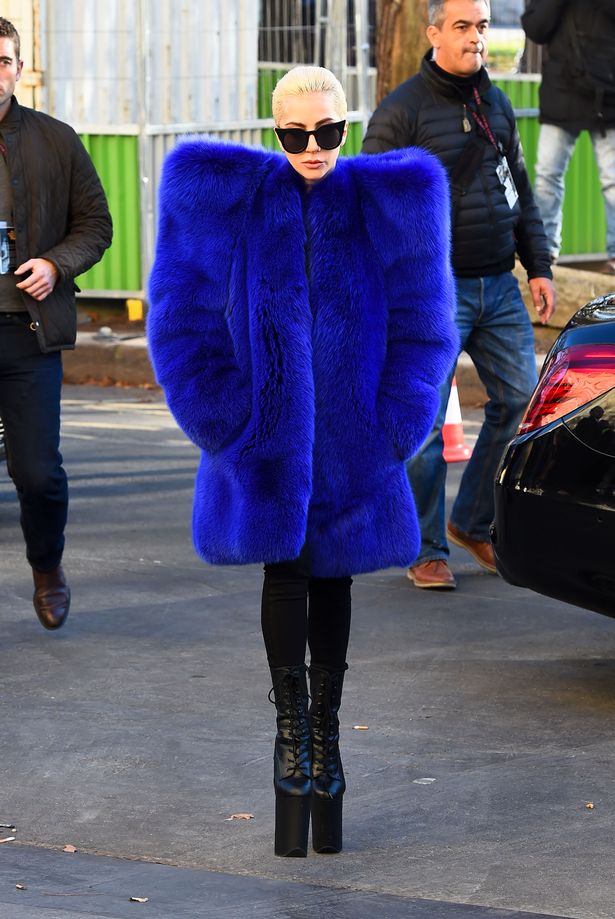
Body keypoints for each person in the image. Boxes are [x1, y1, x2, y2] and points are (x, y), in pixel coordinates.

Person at [148, 66, 458, 857]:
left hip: (355, 439)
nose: (312, 147)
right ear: (272, 128)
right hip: (266, 440)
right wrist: (228, 423)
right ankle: (293, 744)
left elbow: (428, 322)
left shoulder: (385, 202)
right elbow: (180, 318)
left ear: (346, 126)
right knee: (283, 573)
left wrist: (393, 425)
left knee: (335, 578)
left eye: (327, 132)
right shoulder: (233, 198)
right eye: (294, 134)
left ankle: (328, 740)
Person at [362, 0, 556, 590]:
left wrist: (539, 266)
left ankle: (471, 522)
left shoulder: (494, 101)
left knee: (524, 404)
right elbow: (370, 206)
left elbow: (517, 185)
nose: (476, 38)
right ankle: (425, 550)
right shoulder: (401, 113)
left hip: (498, 285)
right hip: (432, 293)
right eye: (464, 27)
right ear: (434, 33)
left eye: (482, 27)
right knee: (423, 427)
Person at [0, 18, 113, 629]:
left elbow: (96, 225)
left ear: (19, 68)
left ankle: (47, 567)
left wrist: (55, 263)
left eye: (3, 61)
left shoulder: (56, 140)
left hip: (27, 331)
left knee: (38, 473)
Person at [522, 0, 615, 271]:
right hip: (561, 94)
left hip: (607, 93)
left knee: (613, 180)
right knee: (547, 175)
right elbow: (535, 28)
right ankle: (545, 252)